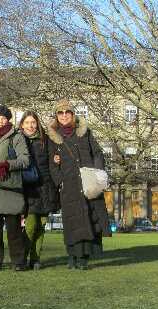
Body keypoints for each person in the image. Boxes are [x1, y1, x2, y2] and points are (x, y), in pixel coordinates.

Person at [48, 99, 111, 270]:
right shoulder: (53, 138)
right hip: (68, 187)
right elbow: (51, 164)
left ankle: (83, 259)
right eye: (60, 113)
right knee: (72, 223)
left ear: (73, 114)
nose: (64, 116)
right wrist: (59, 180)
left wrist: (98, 173)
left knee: (89, 221)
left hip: (88, 184)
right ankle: (72, 257)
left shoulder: (85, 132)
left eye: (67, 112)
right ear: (56, 116)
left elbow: (97, 153)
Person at [0, 105, 30, 271]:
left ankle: (18, 262)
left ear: (8, 119)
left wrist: (7, 164)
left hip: (10, 189)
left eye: (3, 118)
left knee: (14, 231)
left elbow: (25, 160)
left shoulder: (17, 137)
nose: (0, 121)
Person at [19, 111, 59, 270]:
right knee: (30, 225)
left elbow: (52, 160)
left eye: (33, 122)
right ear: (22, 124)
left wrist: (56, 159)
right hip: (28, 188)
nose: (31, 126)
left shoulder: (45, 140)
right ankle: (22, 258)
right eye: (27, 123)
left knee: (42, 225)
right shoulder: (18, 140)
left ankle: (35, 258)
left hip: (45, 186)